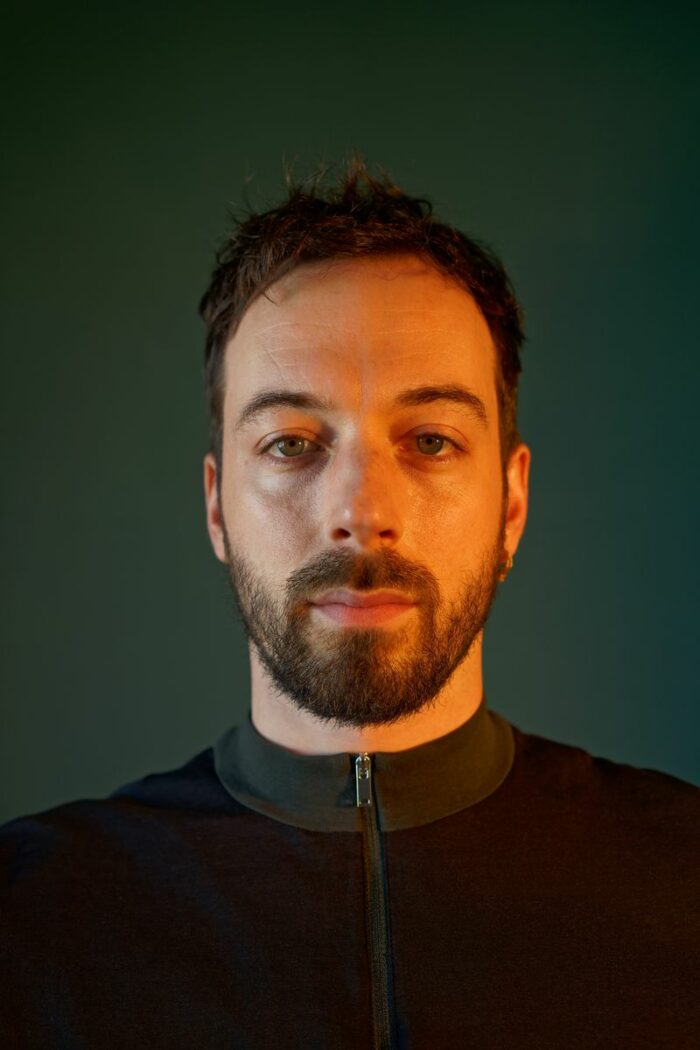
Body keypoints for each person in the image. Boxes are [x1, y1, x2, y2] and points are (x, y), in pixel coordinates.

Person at [2, 158, 698, 1049]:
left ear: (512, 505)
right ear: (216, 508)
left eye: (431, 440)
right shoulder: (28, 922)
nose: (362, 511)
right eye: (292, 443)